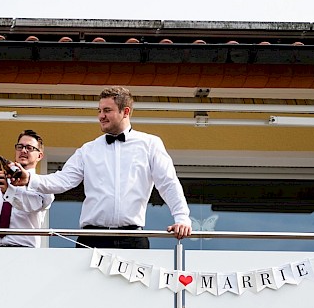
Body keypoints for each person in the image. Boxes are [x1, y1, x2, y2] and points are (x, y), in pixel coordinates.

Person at [10, 86, 191, 249]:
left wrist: (182, 218)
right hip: (91, 238)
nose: (101, 116)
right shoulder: (88, 149)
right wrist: (30, 179)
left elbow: (168, 183)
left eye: (107, 110)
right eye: (99, 110)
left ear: (125, 112)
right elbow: (62, 180)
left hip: (132, 238)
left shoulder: (150, 144)